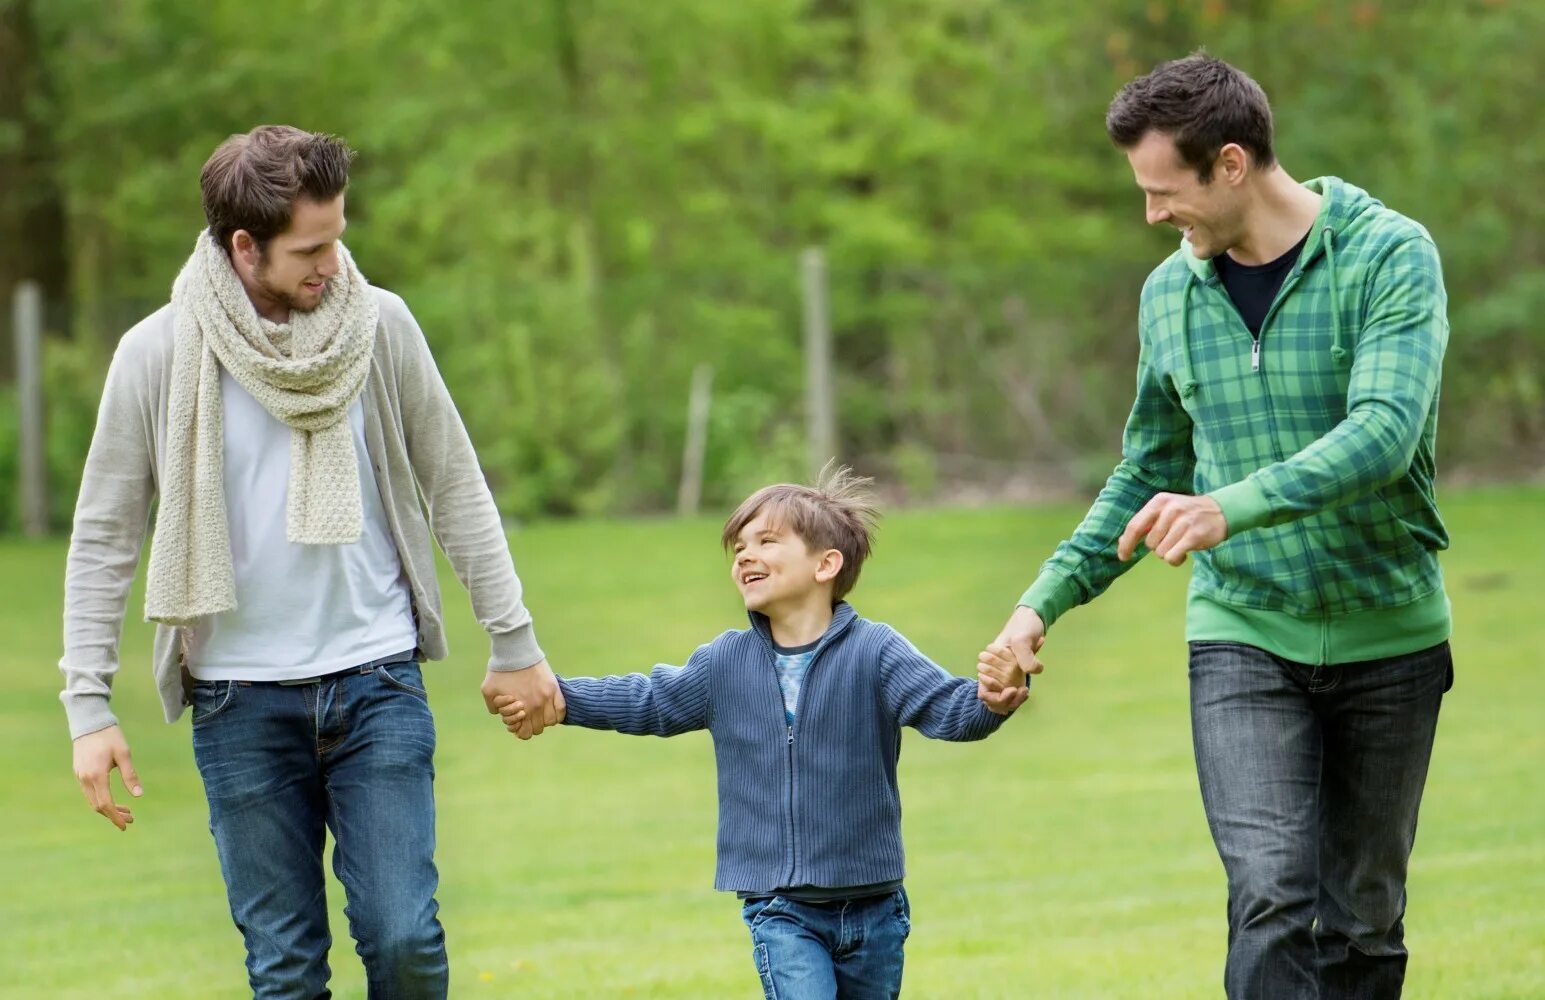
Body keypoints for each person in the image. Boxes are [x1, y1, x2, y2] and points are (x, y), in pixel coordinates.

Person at [980, 54, 1452, 999]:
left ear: (1230, 163)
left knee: (1362, 916)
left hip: (1387, 629)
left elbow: (1383, 435)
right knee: (1271, 896)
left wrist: (1225, 505)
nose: (1152, 215)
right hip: (1242, 632)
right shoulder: (1170, 296)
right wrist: (1042, 602)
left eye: (1164, 192)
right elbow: (1150, 468)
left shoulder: (1388, 255)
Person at [59, 125, 563, 999]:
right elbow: (103, 536)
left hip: (377, 682)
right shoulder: (157, 354)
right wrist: (88, 705)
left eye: (337, 236)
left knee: (403, 939)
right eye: (312, 247)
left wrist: (513, 639)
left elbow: (455, 484)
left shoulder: (381, 328)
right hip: (237, 702)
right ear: (243, 246)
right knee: (285, 971)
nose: (333, 261)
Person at [497, 466, 1027, 999]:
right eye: (739, 547)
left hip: (875, 909)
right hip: (781, 906)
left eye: (767, 542)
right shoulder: (725, 662)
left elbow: (952, 711)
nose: (745, 556)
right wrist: (557, 697)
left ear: (826, 564)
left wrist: (994, 697)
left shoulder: (877, 653)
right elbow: (649, 700)